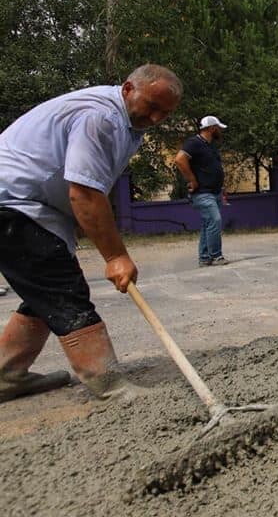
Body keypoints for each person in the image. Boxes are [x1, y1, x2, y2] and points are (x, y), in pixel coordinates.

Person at [0, 64, 182, 403]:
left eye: (166, 113)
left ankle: (7, 375)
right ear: (128, 88)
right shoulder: (101, 117)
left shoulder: (127, 124)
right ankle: (109, 384)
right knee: (62, 288)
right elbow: (84, 192)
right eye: (152, 106)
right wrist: (115, 256)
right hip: (11, 203)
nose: (157, 118)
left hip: (32, 208)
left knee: (46, 290)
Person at [175, 116, 229, 266]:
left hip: (214, 191)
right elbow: (179, 159)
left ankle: (205, 257)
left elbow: (213, 168)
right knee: (215, 220)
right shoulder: (194, 143)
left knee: (208, 223)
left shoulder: (210, 145)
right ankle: (216, 255)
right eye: (218, 128)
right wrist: (192, 179)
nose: (220, 131)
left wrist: (221, 186)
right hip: (203, 192)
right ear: (211, 128)